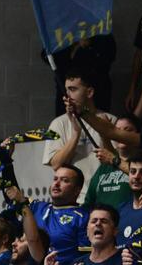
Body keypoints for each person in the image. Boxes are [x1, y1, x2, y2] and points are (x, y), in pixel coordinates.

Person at [40, 71, 116, 203]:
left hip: (106, 196)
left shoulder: (109, 120)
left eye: (73, 89)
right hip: (75, 199)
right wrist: (76, 134)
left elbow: (117, 161)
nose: (67, 95)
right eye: (66, 90)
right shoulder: (59, 124)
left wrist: (105, 134)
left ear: (89, 92)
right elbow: (56, 164)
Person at [6, 164, 89, 265]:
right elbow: (14, 194)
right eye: (55, 179)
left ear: (77, 189)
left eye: (65, 180)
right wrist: (7, 161)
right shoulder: (36, 207)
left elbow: (88, 258)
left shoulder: (84, 217)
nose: (57, 184)